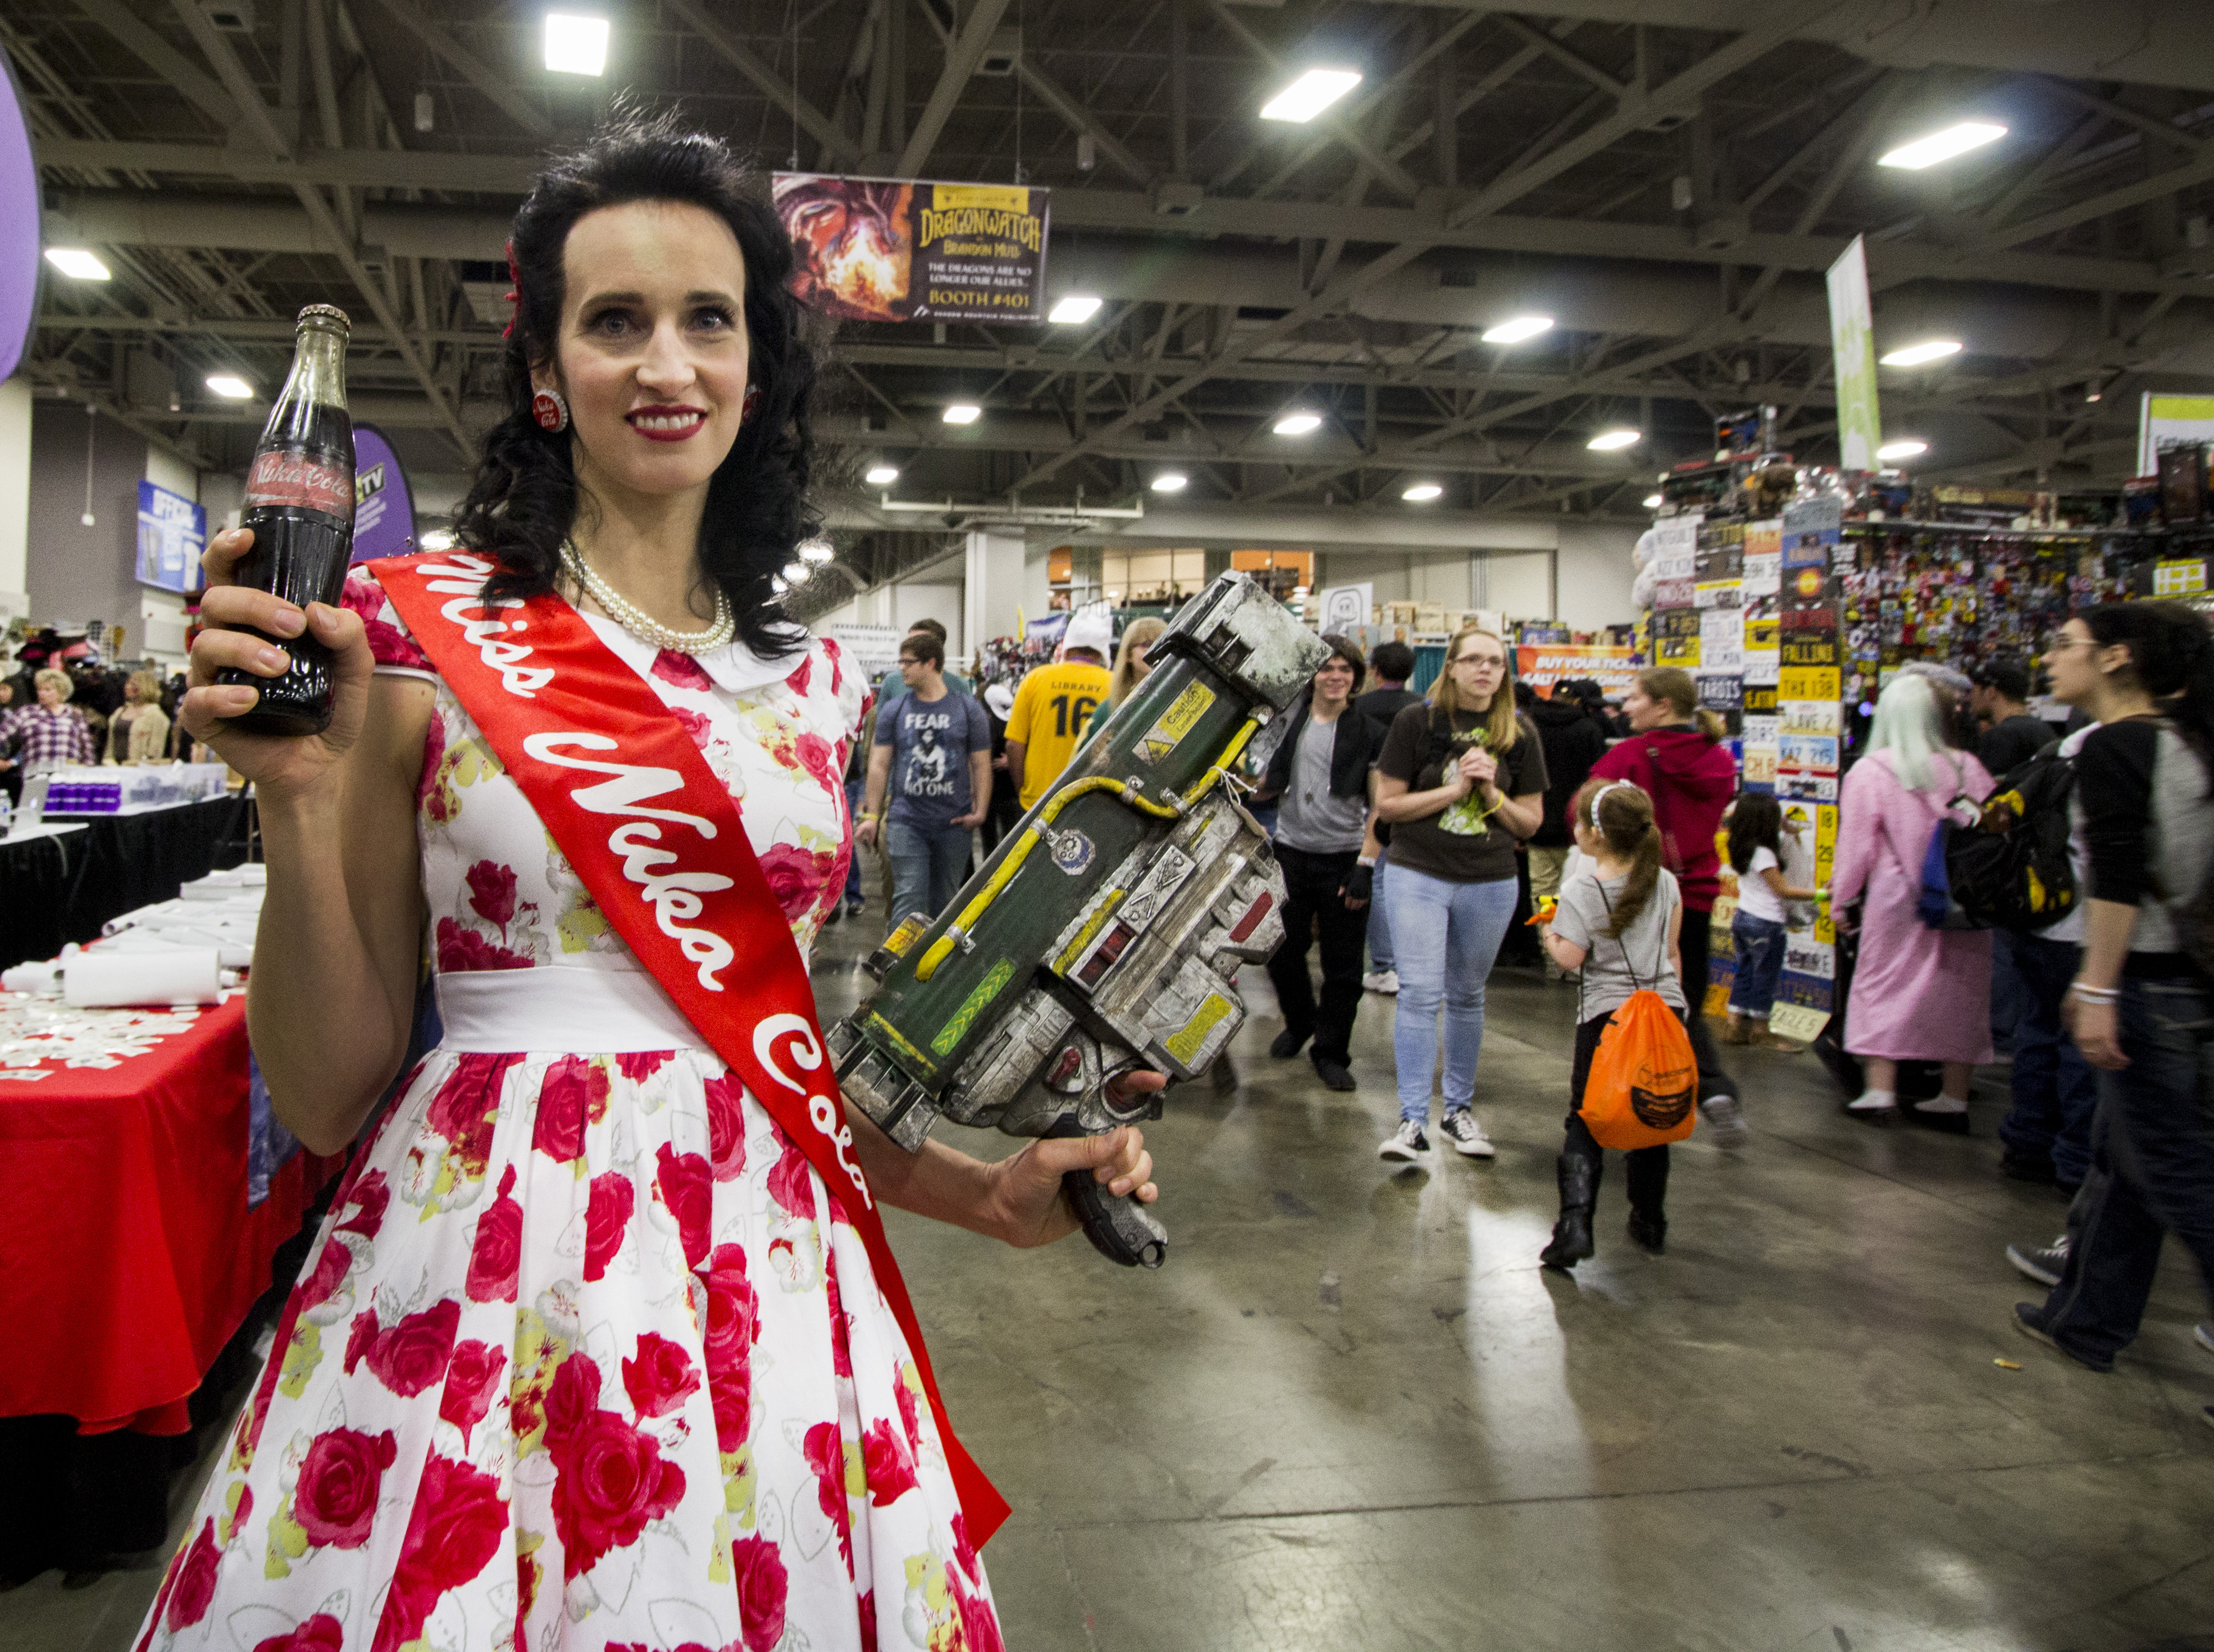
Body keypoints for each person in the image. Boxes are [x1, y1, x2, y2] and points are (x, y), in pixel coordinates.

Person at [140, 114, 1160, 1652]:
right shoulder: (419, 634)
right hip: (481, 1274)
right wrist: (293, 798)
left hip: (764, 1292)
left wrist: (984, 1194)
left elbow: (770, 1059)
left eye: (708, 318)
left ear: (756, 366)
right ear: (545, 370)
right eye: (612, 320)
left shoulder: (813, 680)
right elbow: (337, 1087)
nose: (666, 362)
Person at [2011, 603, 2214, 1404]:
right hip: (2185, 986)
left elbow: (2117, 878)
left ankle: (2088, 1319)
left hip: (2145, 982)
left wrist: (2095, 986)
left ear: (2117, 657)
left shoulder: (2121, 746)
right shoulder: (2188, 742)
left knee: (2180, 1177)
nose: (2052, 659)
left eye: (2064, 645)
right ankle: (2088, 1320)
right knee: (2129, 1163)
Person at [1373, 624, 1548, 1162]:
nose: (1484, 670)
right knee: (1421, 994)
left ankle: (1458, 1111)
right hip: (1418, 872)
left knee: (1468, 994)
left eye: (1495, 662)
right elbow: (1389, 807)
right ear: (1450, 667)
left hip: (1490, 880)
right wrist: (1454, 790)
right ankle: (1410, 1120)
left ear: (1504, 672)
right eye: (1472, 660)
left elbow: (1531, 824)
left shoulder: (1520, 732)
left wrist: (1491, 791)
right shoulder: (1415, 722)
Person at [1588, 668, 1748, 1144]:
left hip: (1634, 893)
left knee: (1619, 1002)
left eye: (1635, 697)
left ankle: (1628, 1101)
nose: (1626, 705)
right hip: (1696, 895)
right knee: (1682, 999)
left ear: (1662, 705)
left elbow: (1585, 812)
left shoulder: (1628, 756)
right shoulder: (1719, 760)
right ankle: (1713, 1089)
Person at [1830, 674, 1996, 1128]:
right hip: (1965, 900)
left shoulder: (1872, 770)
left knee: (1882, 984)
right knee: (1961, 989)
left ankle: (1880, 1090)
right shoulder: (1968, 766)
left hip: (1895, 899)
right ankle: (1953, 1097)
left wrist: (1840, 900)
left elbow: (1856, 846)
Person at [1534, 777, 1687, 1267]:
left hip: (1607, 1018)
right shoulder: (1665, 882)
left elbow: (1572, 958)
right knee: (1651, 1115)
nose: (1575, 828)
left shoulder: (1583, 888)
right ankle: (1650, 1219)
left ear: (1596, 835)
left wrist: (1549, 933)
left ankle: (1575, 1225)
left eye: (1580, 821)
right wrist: (1673, 1012)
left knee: (1587, 1116)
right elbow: (1671, 951)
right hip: (1664, 1009)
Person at [1256, 637, 1383, 1093]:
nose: (1335, 676)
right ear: (1312, 674)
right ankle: (1300, 1022)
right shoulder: (1290, 724)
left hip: (1344, 857)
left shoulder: (1368, 730)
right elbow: (1268, 785)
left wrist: (1365, 867)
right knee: (1280, 950)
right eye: (1327, 667)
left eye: (1345, 669)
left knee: (1343, 965)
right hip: (1290, 852)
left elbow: (1380, 807)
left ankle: (1330, 1052)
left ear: (1356, 677)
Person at [1997, 718, 2099, 1194]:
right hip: (2085, 927)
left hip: (2039, 915)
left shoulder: (2058, 752)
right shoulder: (2121, 749)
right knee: (2080, 1042)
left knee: (2037, 1029)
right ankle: (2076, 1161)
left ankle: (2028, 1144)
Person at [859, 630, 994, 925]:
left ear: (930, 663)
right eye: (901, 662)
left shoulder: (967, 709)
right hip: (906, 820)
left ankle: (936, 968)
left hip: (954, 824)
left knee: (945, 900)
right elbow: (879, 765)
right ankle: (897, 967)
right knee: (909, 896)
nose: (902, 668)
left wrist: (981, 811)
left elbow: (981, 764)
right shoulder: (894, 710)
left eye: (909, 662)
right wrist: (871, 814)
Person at [1527, 680, 1611, 979]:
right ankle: (1577, 961)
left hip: (1538, 825)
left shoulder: (1530, 726)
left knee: (1546, 894)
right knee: (1579, 891)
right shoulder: (1589, 729)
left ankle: (1553, 959)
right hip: (1580, 829)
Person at [1723, 792, 1819, 1050]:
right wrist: (1823, 894)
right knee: (1765, 977)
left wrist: (1788, 829)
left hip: (1743, 917)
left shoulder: (1740, 845)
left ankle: (1734, 1025)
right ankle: (1761, 1030)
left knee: (1744, 971)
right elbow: (1783, 890)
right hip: (1767, 922)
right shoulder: (1764, 853)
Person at [1355, 640, 1422, 996]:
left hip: (1369, 806)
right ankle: (1413, 966)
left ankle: (1384, 966)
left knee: (1377, 882)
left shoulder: (1359, 708)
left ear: (1374, 671)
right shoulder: (1424, 707)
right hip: (1419, 806)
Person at [1005, 608, 1111, 810]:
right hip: (1091, 801)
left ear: (1067, 646)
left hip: (1039, 801)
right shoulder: (1114, 685)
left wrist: (1024, 790)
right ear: (1103, 650)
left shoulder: (1035, 679)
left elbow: (1013, 745)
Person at [1082, 613, 1167, 743]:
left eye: (1162, 643)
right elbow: (1086, 759)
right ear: (1128, 654)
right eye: (1147, 644)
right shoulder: (1108, 711)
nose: (1155, 650)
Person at [0, 667, 99, 773]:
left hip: (68, 776)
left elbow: (87, 749)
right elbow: (3, 733)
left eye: (47, 690)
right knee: (35, 790)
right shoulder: (27, 712)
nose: (41, 693)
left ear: (61, 691)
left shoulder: (75, 714)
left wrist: (87, 772)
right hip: (35, 775)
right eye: (39, 689)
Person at [1974, 658, 2053, 777]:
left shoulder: (2001, 735)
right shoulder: (2044, 728)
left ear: (1991, 692)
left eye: (1973, 690)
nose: (1970, 697)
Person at [874, 616, 971, 700]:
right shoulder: (892, 682)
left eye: (919, 642)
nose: (911, 646)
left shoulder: (959, 686)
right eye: (910, 641)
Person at [104, 668, 172, 764]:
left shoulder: (156, 715)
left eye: (133, 684)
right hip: (114, 767)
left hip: (139, 768)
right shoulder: (120, 712)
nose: (127, 687)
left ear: (144, 687)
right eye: (128, 683)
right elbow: (110, 743)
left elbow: (156, 751)